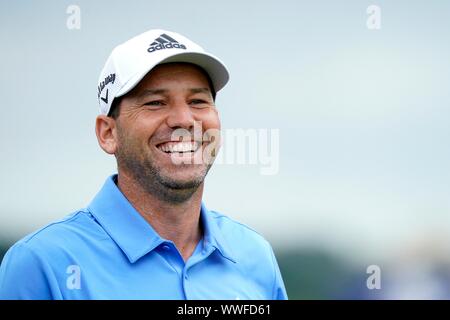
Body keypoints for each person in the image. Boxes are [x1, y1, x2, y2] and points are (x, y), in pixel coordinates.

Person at [0, 29, 288, 300]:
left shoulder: (255, 256)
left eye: (198, 101)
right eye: (155, 103)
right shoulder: (42, 263)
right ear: (108, 133)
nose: (184, 120)